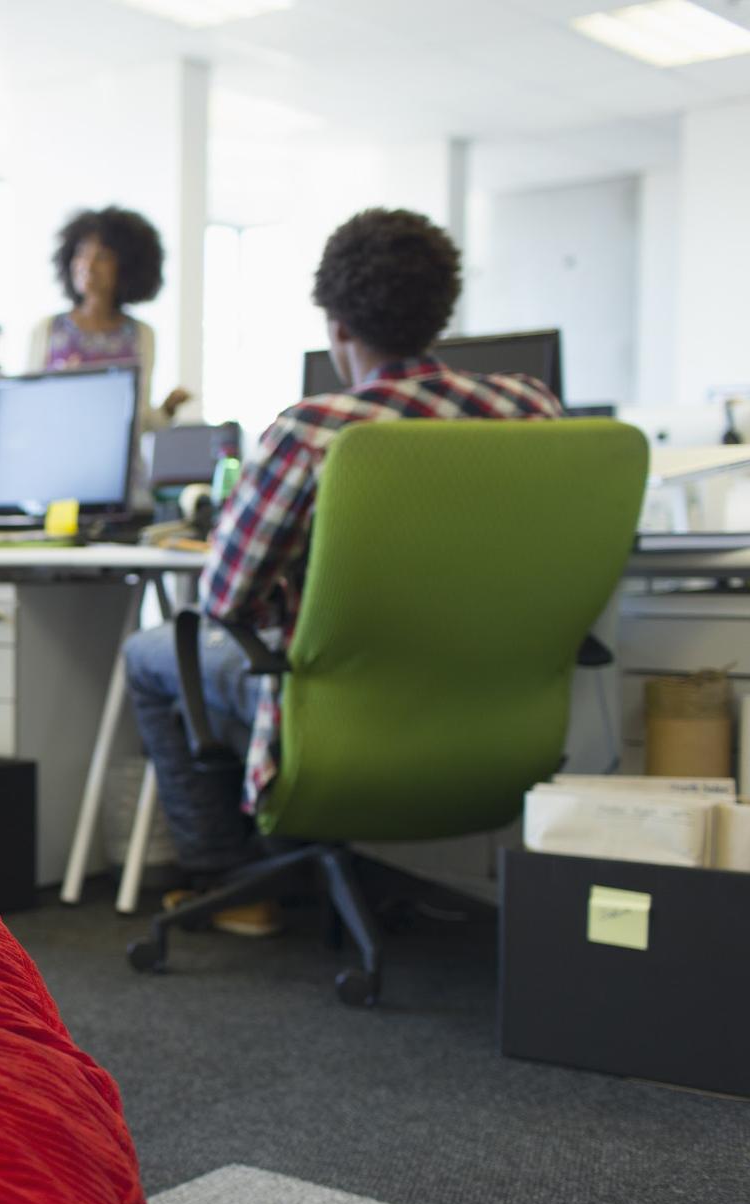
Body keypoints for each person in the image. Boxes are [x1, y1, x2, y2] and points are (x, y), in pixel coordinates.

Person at [122, 207, 563, 937]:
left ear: (335, 327)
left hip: (344, 715)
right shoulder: (530, 409)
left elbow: (224, 597)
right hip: (496, 721)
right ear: (439, 313)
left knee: (153, 651)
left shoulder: (314, 431)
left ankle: (233, 882)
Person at [28, 204, 192, 436]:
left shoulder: (141, 335)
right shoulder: (47, 330)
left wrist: (167, 409)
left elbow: (140, 421)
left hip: (121, 466)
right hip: (58, 455)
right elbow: (29, 409)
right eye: (82, 253)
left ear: (125, 267)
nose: (88, 265)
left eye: (102, 256)